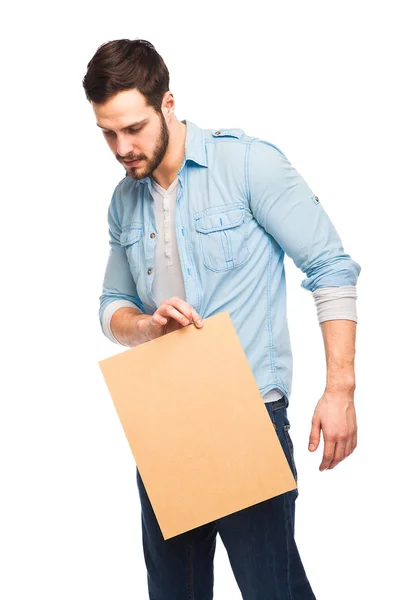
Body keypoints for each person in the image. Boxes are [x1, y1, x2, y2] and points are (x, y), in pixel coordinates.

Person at [82, 38, 361, 600]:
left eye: (133, 128)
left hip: (248, 415)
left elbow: (330, 266)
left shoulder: (247, 163)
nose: (122, 147)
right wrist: (144, 326)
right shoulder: (124, 200)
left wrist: (340, 389)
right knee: (175, 593)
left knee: (270, 589)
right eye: (108, 134)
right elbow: (111, 305)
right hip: (164, 421)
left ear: (167, 103)